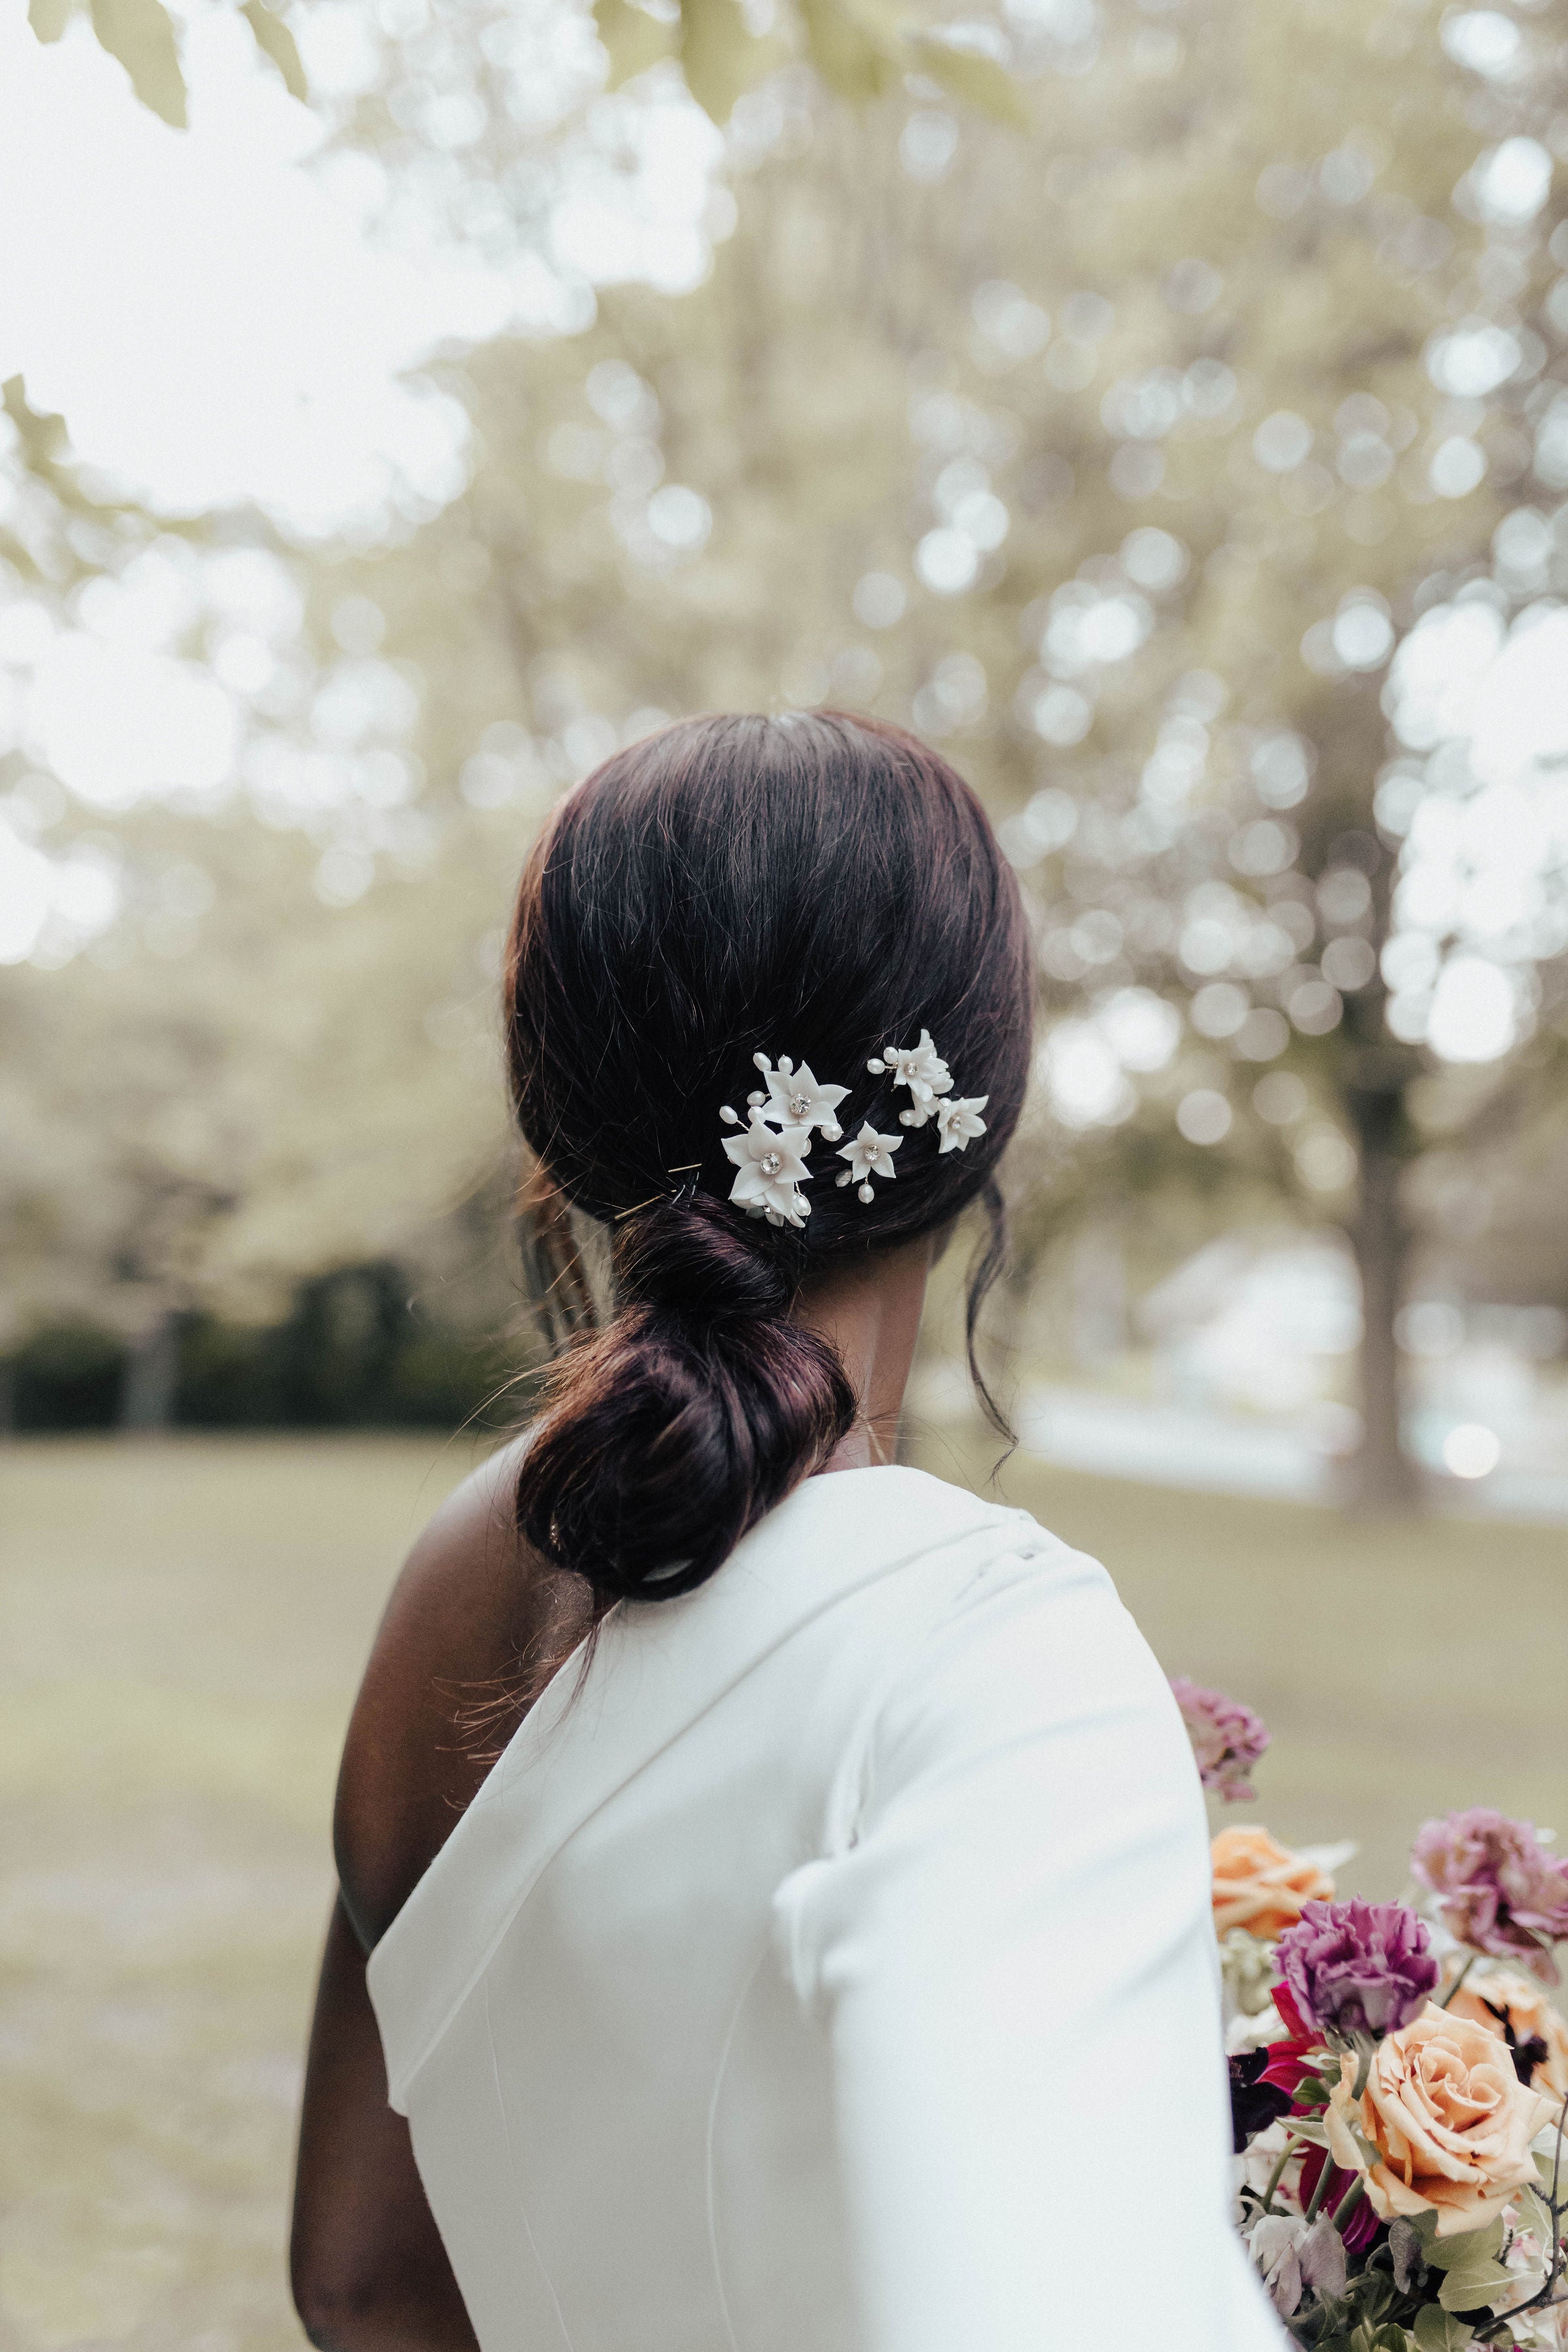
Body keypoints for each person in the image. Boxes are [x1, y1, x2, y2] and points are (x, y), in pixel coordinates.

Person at [291, 711, 1280, 2349]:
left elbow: (362, 2281)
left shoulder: (442, 1599)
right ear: (979, 1114)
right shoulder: (994, 1655)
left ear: (563, 1116)